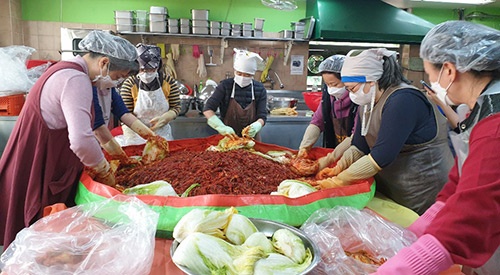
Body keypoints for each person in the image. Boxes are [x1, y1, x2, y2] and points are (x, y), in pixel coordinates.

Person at [373, 20, 500, 275]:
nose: (431, 83)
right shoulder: (479, 112)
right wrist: (413, 235)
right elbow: (459, 185)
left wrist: (397, 269)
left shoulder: (494, 127)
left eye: (431, 75)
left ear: (450, 71)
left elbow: (472, 216)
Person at [0, 30, 141, 249]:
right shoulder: (75, 79)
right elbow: (82, 140)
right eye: (117, 77)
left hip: (41, 160)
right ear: (104, 62)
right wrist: (105, 171)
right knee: (38, 238)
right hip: (40, 163)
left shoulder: (64, 70)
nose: (115, 83)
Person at [316, 48, 454, 215]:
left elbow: (381, 156)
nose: (351, 94)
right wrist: (338, 168)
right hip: (392, 188)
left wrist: (339, 180)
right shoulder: (367, 102)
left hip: (421, 190)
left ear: (371, 81)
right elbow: (359, 146)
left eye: (352, 89)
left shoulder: (403, 100)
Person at [298, 55, 358, 161]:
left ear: (347, 80)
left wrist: (331, 158)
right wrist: (304, 147)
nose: (331, 89)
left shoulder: (359, 100)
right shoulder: (329, 98)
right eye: (327, 84)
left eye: (334, 84)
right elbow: (317, 122)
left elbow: (355, 135)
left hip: (355, 155)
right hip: (334, 147)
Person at [119, 43, 181, 144]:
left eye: (151, 69)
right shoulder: (130, 83)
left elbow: (176, 106)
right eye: (142, 69)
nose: (146, 73)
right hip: (135, 134)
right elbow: (125, 113)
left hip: (162, 133)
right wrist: (142, 131)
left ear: (158, 66)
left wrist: (166, 118)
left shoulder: (168, 82)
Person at [203, 48, 266, 140]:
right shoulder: (225, 86)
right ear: (235, 71)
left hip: (251, 139)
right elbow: (208, 109)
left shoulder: (259, 89)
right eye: (239, 73)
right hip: (228, 137)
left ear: (253, 74)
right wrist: (221, 127)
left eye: (247, 75)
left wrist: (257, 125)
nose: (243, 77)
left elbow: (262, 116)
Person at [92, 85, 155, 162]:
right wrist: (123, 159)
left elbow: (123, 113)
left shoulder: (108, 85)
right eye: (120, 75)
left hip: (100, 142)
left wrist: (152, 137)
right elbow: (98, 127)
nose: (124, 76)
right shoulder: (87, 86)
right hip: (85, 147)